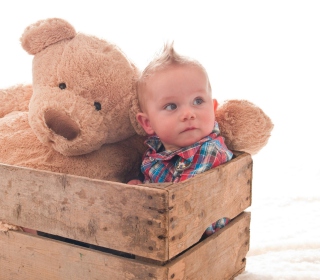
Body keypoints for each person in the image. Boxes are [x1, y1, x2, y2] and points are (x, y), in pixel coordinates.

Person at [128, 43, 233, 236]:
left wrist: (145, 196)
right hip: (162, 232)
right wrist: (140, 189)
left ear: (213, 107)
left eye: (198, 101)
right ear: (148, 123)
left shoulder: (208, 151)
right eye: (171, 106)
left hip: (194, 236)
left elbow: (179, 201)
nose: (188, 113)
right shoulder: (156, 150)